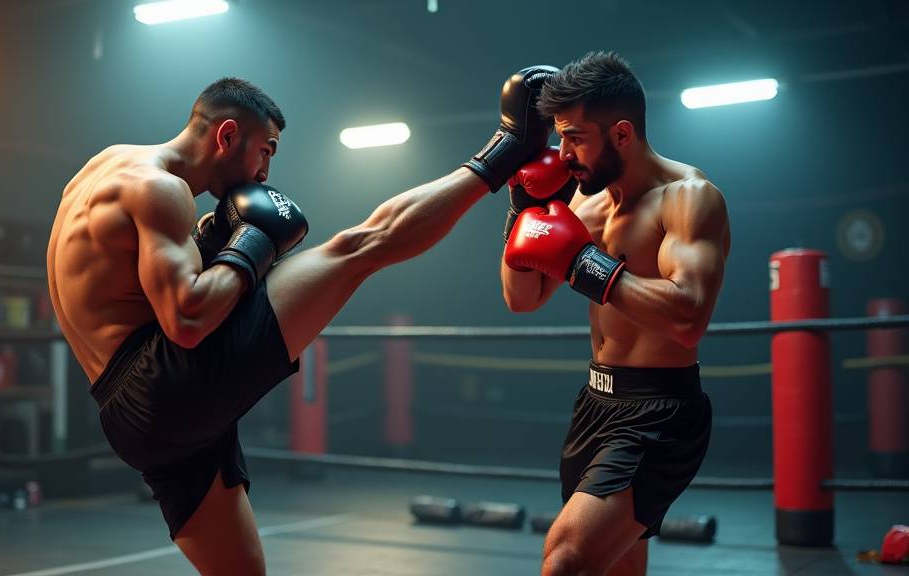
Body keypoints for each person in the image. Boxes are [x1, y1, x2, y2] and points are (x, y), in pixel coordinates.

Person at [46, 70, 555, 575]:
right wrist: (253, 242)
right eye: (265, 150)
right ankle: (505, 150)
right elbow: (186, 319)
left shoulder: (106, 166)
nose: (265, 172)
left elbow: (134, 298)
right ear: (226, 135)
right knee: (359, 247)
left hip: (125, 415)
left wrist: (211, 244)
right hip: (165, 385)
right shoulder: (160, 189)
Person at [500, 52, 731, 576]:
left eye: (576, 138)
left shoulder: (689, 199)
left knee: (566, 560)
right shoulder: (587, 207)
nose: (564, 154)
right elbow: (523, 297)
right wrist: (519, 208)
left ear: (622, 134)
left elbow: (689, 316)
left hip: (659, 414)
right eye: (560, 138)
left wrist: (585, 264)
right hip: (595, 405)